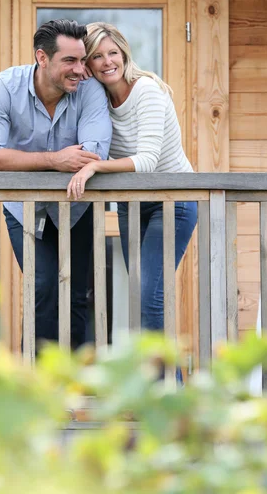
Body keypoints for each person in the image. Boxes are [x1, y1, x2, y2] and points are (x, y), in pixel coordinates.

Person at [0, 19, 112, 350]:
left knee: (78, 293)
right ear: (42, 57)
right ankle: (35, 385)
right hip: (24, 209)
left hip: (78, 205)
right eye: (70, 61)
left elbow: (93, 154)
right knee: (43, 285)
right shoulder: (5, 87)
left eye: (83, 60)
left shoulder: (90, 90)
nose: (81, 69)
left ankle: (75, 386)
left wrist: (28, 160)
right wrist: (55, 160)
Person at [67, 22, 197, 334]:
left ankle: (168, 384)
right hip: (131, 205)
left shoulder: (146, 90)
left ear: (124, 55)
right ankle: (159, 380)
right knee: (141, 297)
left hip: (173, 202)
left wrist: (95, 166)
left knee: (150, 299)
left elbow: (148, 160)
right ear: (88, 64)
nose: (107, 61)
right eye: (97, 56)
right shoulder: (96, 100)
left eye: (113, 53)